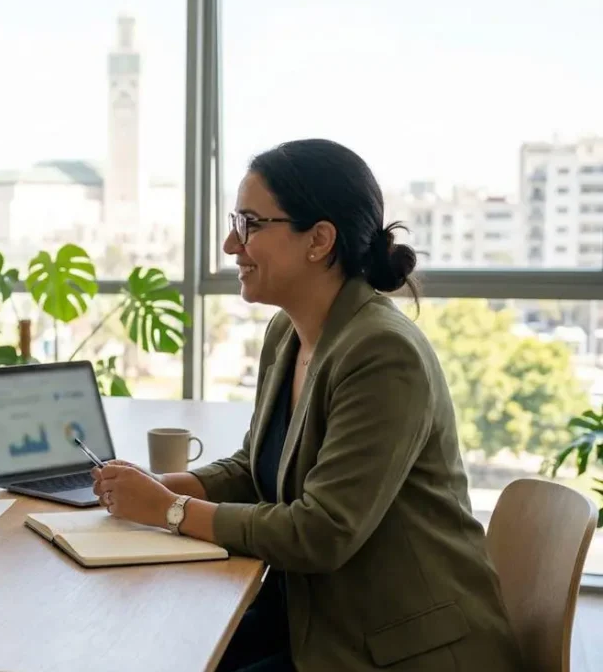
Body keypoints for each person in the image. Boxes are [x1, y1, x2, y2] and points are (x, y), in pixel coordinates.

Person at [91, 139, 522, 671]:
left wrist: (170, 512)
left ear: (319, 240)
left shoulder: (383, 353)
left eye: (250, 224)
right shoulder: (288, 332)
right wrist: (159, 489)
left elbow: (321, 534)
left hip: (398, 649)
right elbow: (255, 467)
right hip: (312, 616)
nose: (230, 244)